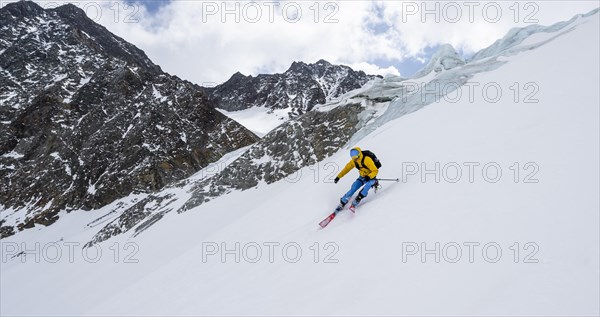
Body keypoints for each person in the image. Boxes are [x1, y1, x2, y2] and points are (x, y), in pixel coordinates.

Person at [334, 147, 379, 211]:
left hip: (371, 177)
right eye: (353, 157)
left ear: (359, 154)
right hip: (362, 176)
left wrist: (369, 176)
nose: (355, 158)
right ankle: (343, 202)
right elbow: (346, 169)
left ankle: (357, 199)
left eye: (356, 156)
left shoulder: (367, 159)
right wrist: (338, 177)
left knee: (367, 186)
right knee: (354, 187)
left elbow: (375, 171)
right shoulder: (354, 162)